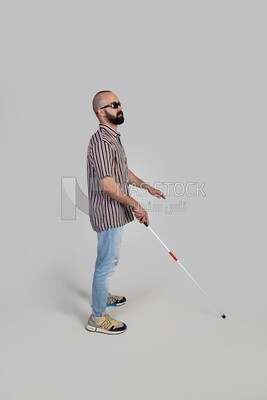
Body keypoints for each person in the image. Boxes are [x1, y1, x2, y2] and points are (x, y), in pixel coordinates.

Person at [85, 90, 165, 335]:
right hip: (108, 212)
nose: (119, 107)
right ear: (101, 112)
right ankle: (97, 318)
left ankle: (102, 295)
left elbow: (122, 170)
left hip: (116, 211)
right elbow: (108, 186)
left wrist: (144, 186)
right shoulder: (101, 142)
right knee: (106, 264)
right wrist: (136, 205)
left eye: (119, 103)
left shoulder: (114, 138)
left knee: (111, 259)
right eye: (113, 104)